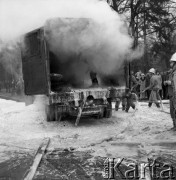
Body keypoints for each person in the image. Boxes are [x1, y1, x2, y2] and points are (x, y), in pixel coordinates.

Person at [164, 53, 176, 129]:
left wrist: (169, 83)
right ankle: (175, 125)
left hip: (175, 94)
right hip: (172, 94)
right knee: (172, 111)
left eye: (172, 62)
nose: (170, 63)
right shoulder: (172, 72)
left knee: (174, 110)